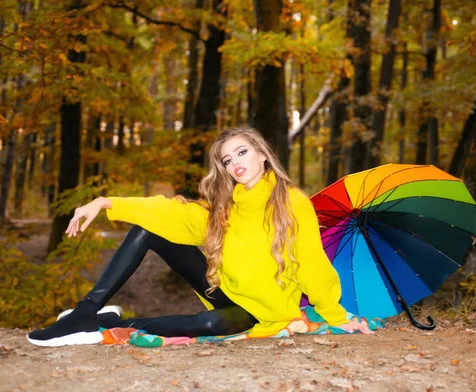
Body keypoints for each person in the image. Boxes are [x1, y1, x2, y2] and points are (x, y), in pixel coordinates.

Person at [27, 127, 374, 347]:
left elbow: (313, 263)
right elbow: (172, 214)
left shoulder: (292, 202)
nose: (235, 163)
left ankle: (111, 324)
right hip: (227, 294)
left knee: (207, 323)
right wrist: (105, 202)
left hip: (261, 313)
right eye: (227, 159)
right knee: (152, 226)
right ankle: (87, 311)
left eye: (242, 152)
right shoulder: (225, 205)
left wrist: (337, 316)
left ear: (263, 154)